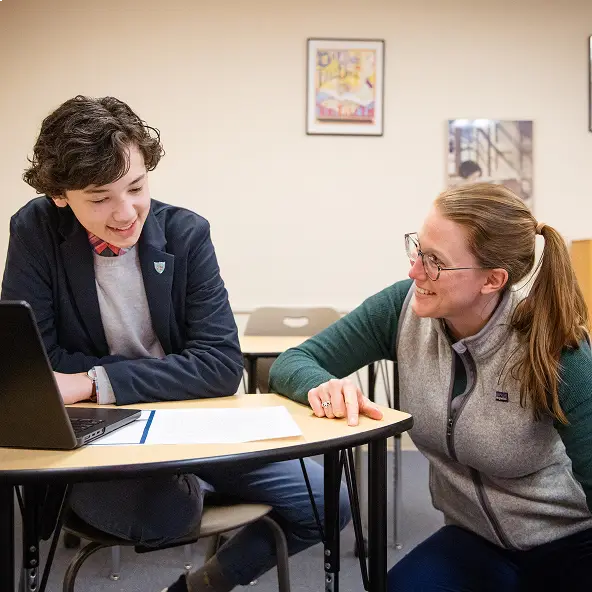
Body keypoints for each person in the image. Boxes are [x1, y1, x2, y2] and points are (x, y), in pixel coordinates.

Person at [2, 95, 350, 592]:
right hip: (97, 437)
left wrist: (91, 380)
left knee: (327, 503)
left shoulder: (186, 234)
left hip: (195, 426)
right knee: (167, 513)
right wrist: (158, 375)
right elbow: (38, 366)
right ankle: (193, 486)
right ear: (61, 195)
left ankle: (198, 584)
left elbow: (218, 365)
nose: (125, 213)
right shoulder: (35, 229)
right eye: (99, 198)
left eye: (137, 187)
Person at [269, 182, 592, 591]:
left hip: (569, 543)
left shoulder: (554, 348)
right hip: (474, 540)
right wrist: (323, 385)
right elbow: (293, 362)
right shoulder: (401, 309)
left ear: (492, 280)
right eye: (417, 250)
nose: (414, 271)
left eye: (435, 261)